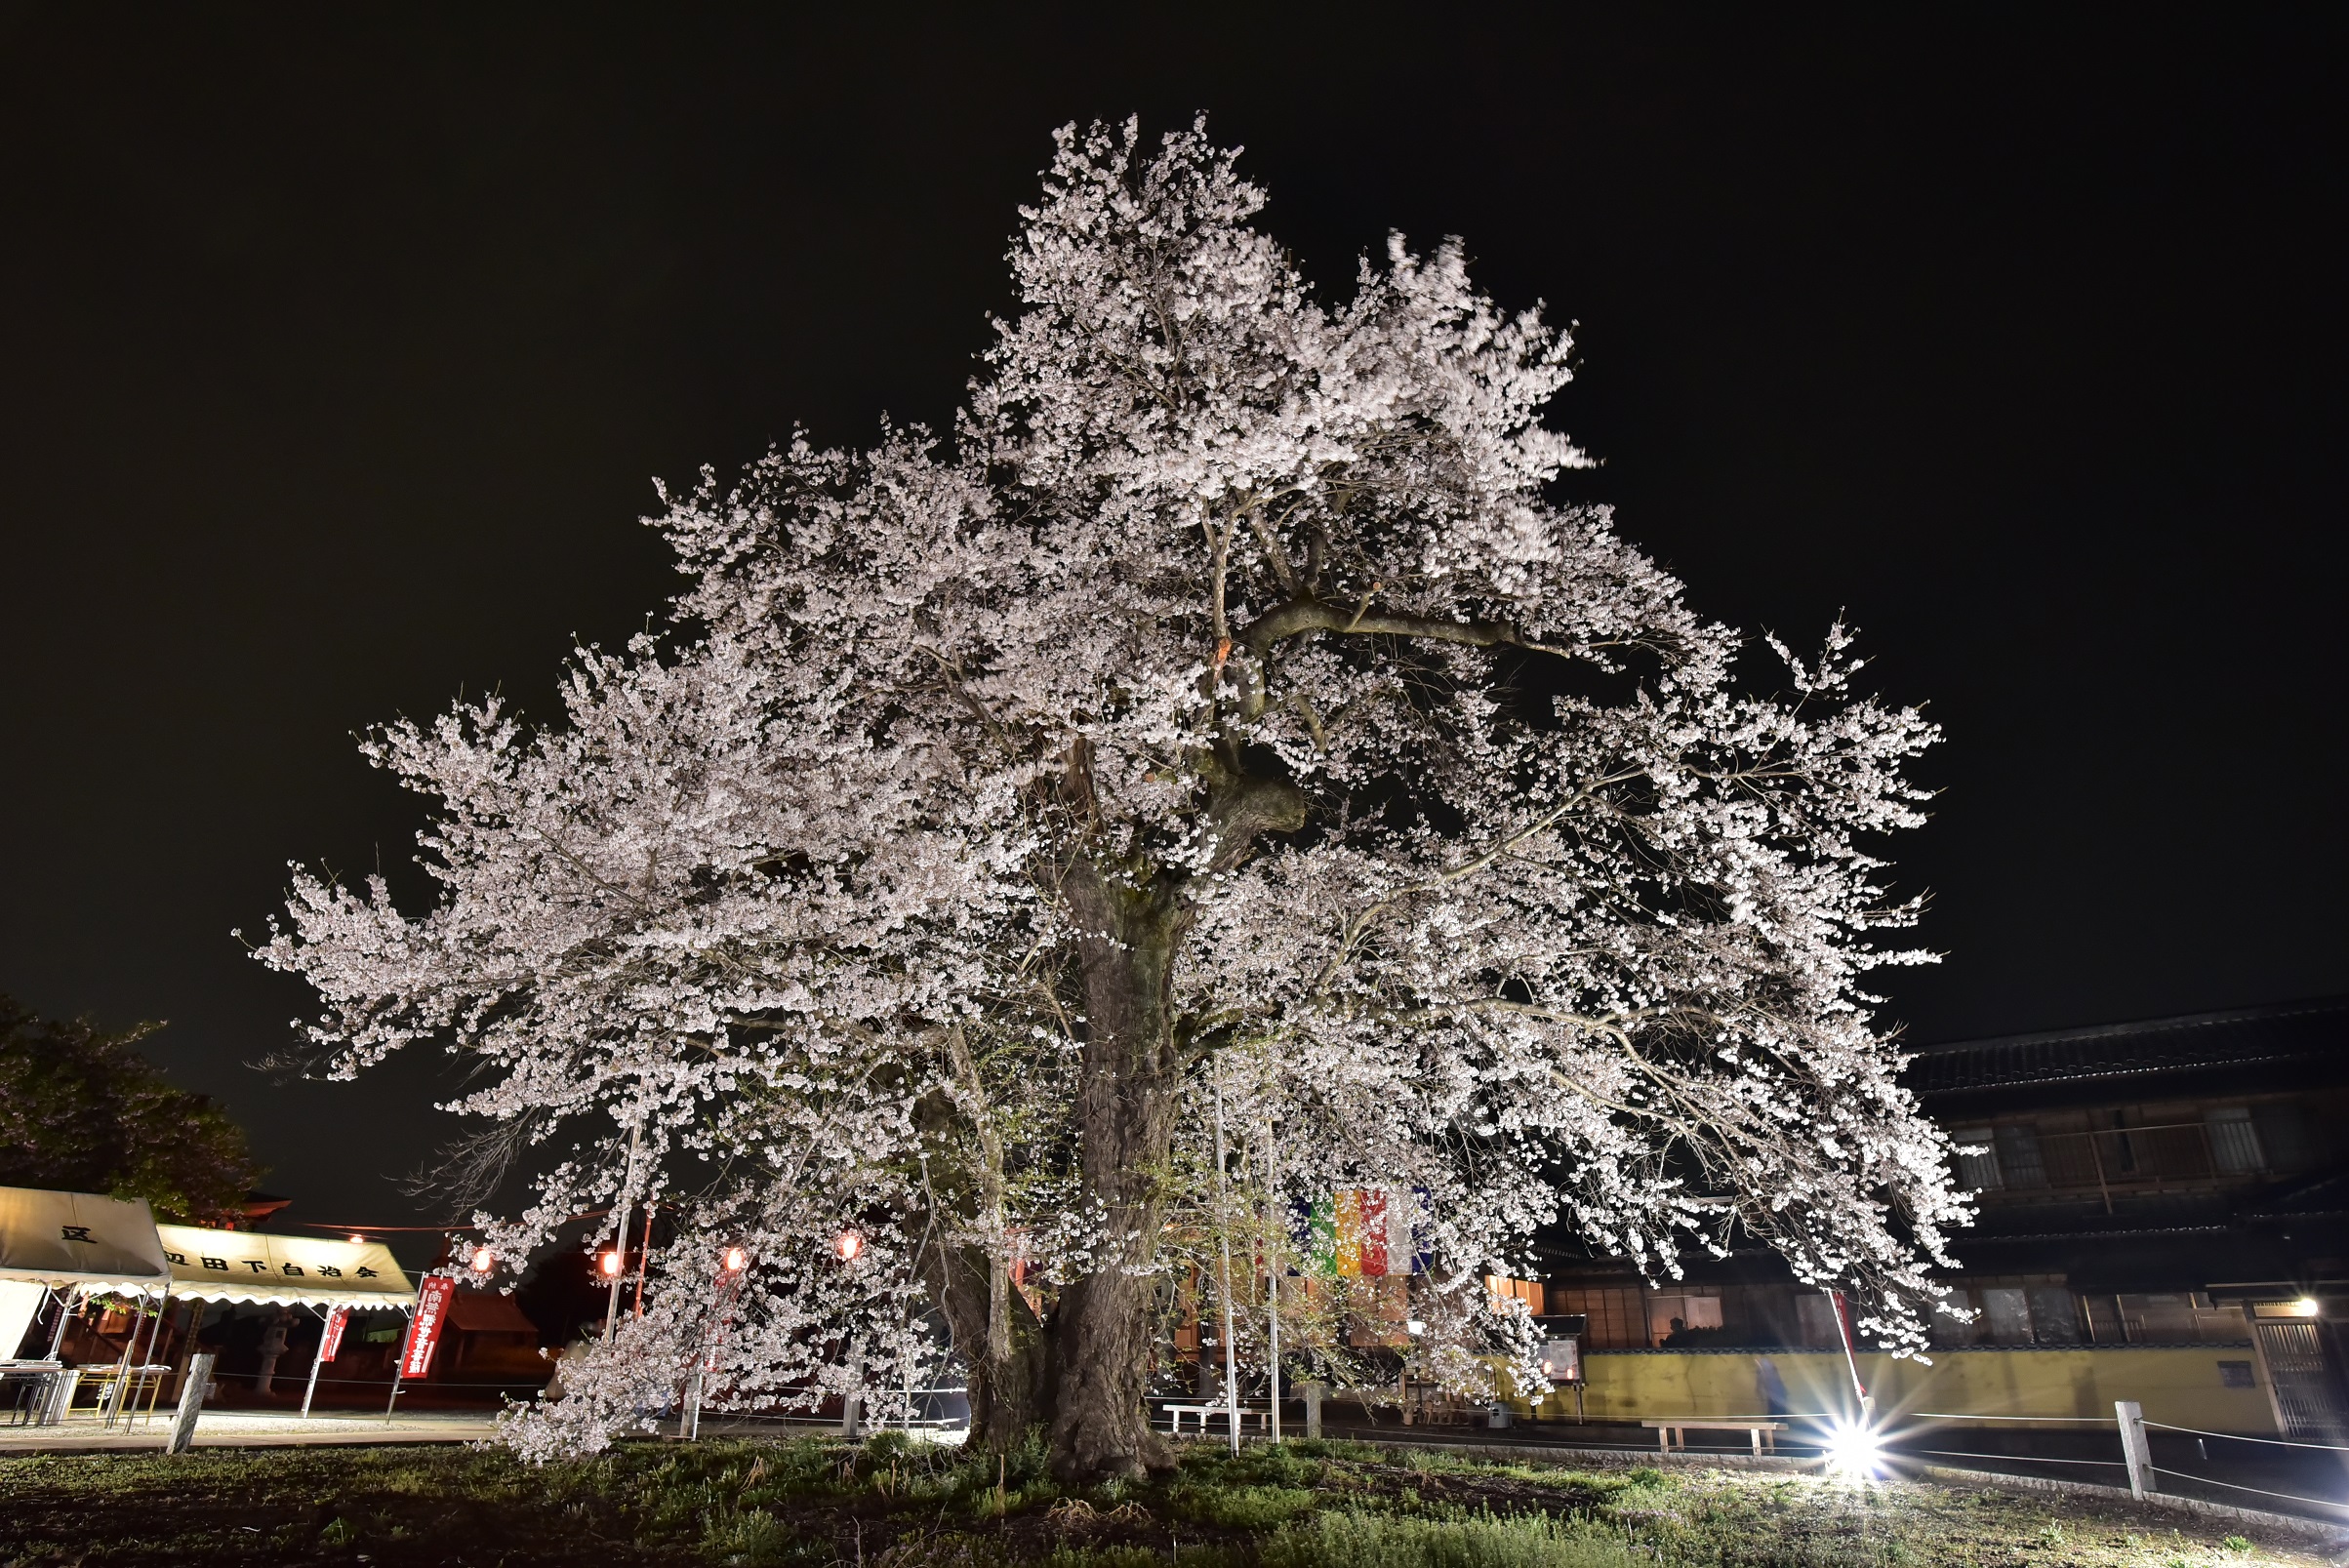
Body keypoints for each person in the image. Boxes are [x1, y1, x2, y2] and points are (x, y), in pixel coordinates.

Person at [253, 1309, 291, 1396]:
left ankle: (264, 1389)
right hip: (270, 1343)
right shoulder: (274, 1317)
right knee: (266, 1368)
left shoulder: (286, 1318)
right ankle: (262, 1389)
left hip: (276, 1344)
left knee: (269, 1368)